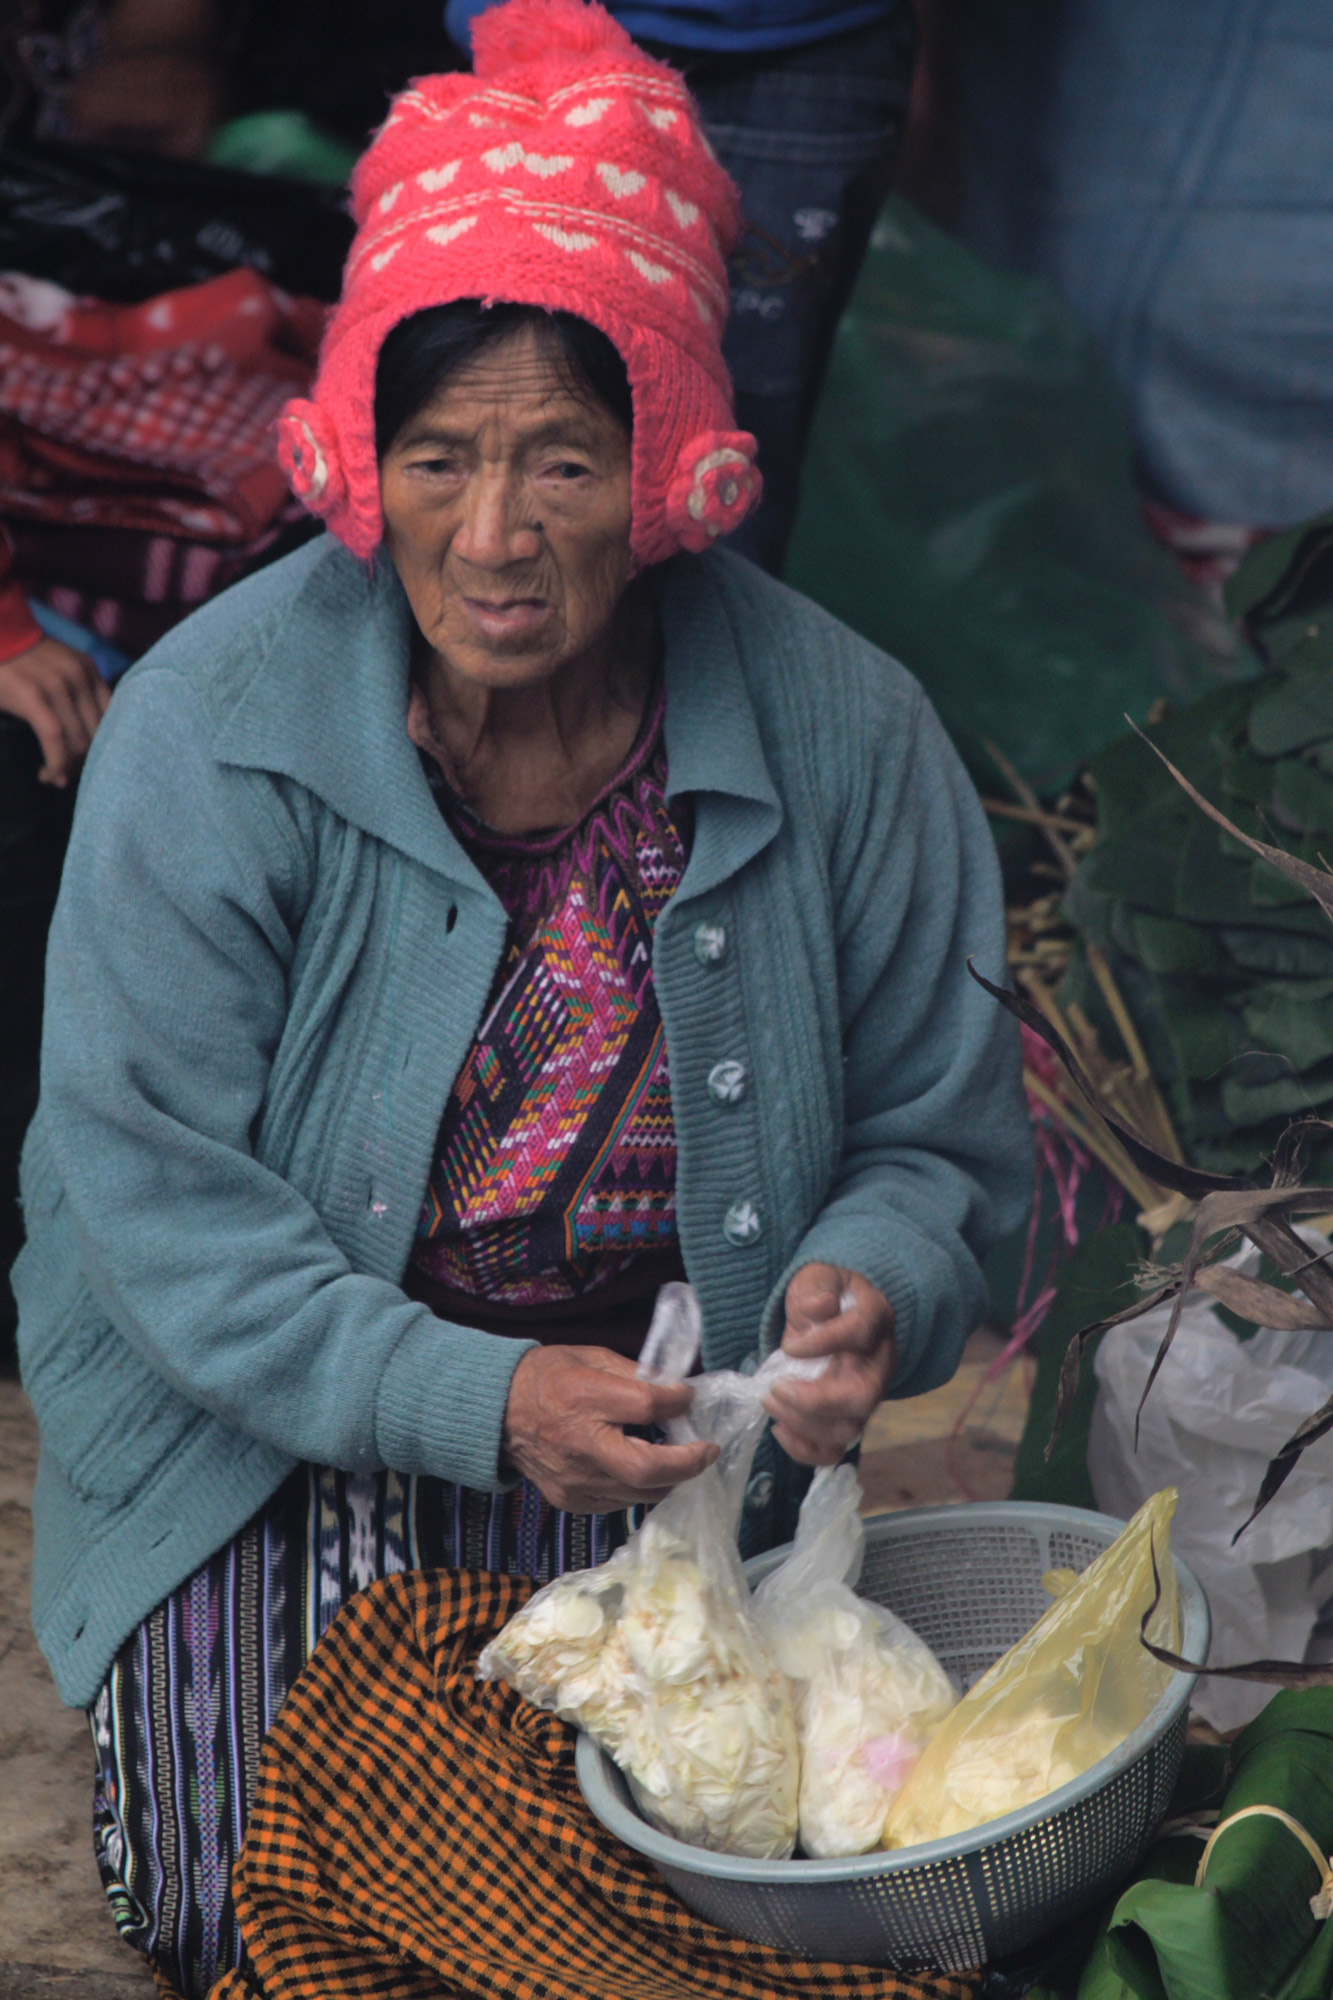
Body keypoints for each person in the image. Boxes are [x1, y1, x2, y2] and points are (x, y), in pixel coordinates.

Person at [14, 3, 1030, 1992]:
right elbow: (151, 1206)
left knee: (787, 1838)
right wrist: (476, 1400)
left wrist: (871, 1277)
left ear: (666, 464)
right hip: (272, 1418)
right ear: (356, 466)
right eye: (439, 459)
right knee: (282, 1880)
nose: (493, 537)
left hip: (663, 1419)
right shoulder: (212, 734)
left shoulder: (846, 731)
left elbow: (933, 1135)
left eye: (561, 459)